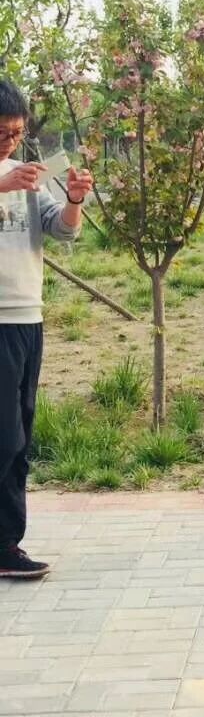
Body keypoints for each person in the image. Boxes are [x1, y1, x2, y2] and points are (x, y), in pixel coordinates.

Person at [0, 78, 93, 579]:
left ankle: (6, 544)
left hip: (27, 319)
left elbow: (61, 230)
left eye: (17, 133)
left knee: (19, 440)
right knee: (4, 438)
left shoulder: (29, 176)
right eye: (1, 133)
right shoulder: (11, 178)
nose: (10, 142)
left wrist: (74, 200)